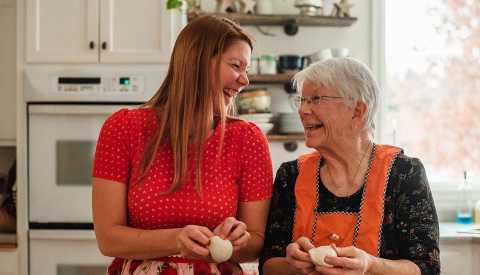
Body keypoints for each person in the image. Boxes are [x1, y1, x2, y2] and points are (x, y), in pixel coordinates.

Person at [92, 15, 273, 275]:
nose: (245, 80)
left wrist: (237, 241)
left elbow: (257, 242)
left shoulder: (248, 140)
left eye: (247, 70)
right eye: (236, 66)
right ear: (197, 63)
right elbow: (108, 239)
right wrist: (177, 239)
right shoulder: (123, 129)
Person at [259, 57, 440, 275]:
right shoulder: (291, 175)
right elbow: (268, 265)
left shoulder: (404, 174)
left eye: (315, 99)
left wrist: (371, 266)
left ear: (357, 111)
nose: (303, 110)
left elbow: (426, 268)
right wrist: (291, 264)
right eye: (302, 100)